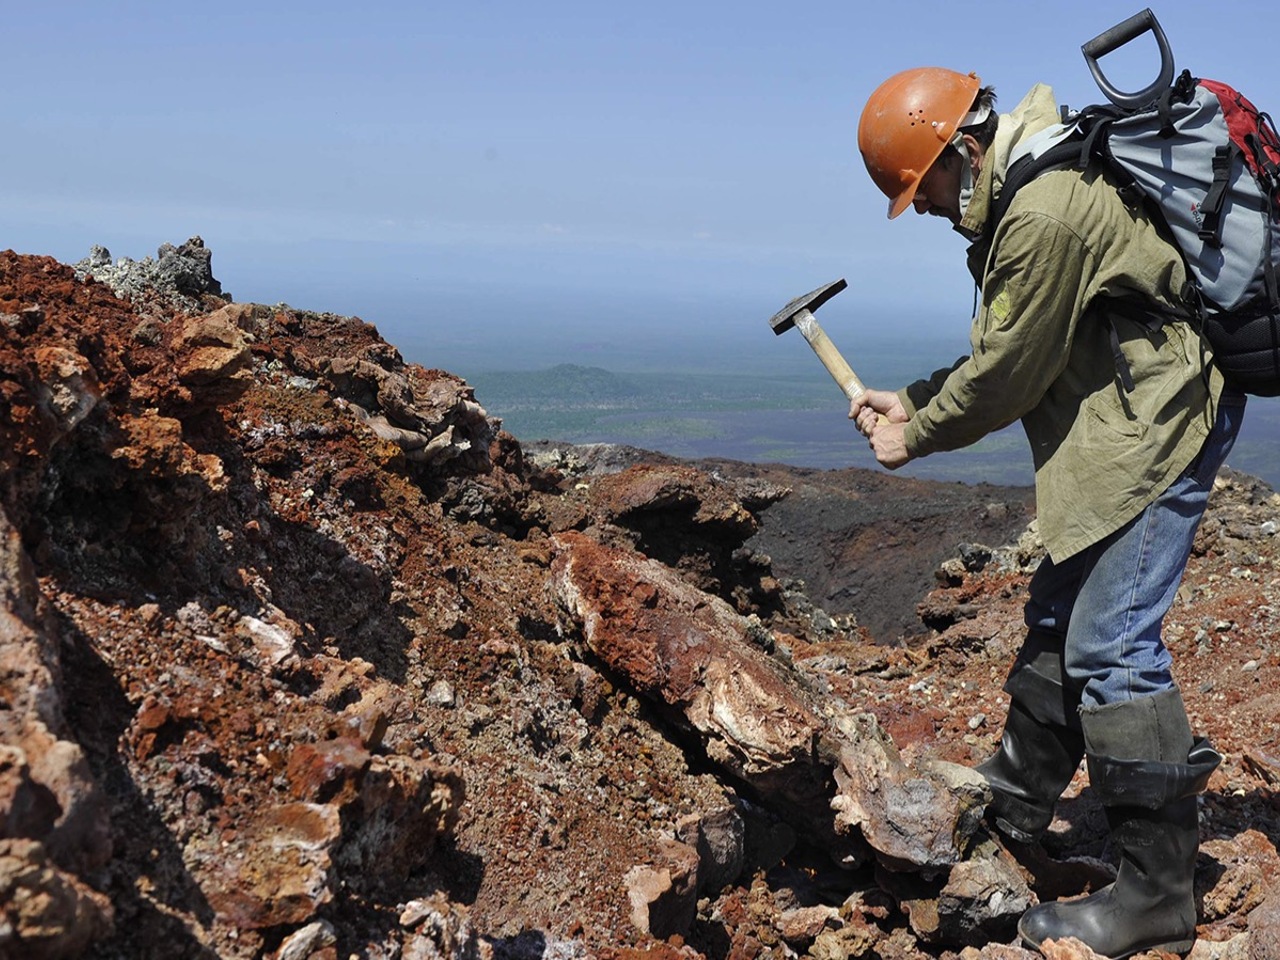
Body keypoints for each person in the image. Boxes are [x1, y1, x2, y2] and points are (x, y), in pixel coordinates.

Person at [852, 67, 1245, 958]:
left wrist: (916, 434)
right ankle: (1020, 801)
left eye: (924, 190)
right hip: (1121, 417)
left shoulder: (1041, 213)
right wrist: (913, 399)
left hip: (1162, 423)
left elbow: (1007, 375)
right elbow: (1015, 347)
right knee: (1062, 609)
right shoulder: (1031, 186)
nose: (924, 211)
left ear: (962, 149)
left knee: (1112, 643)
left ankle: (1156, 895)